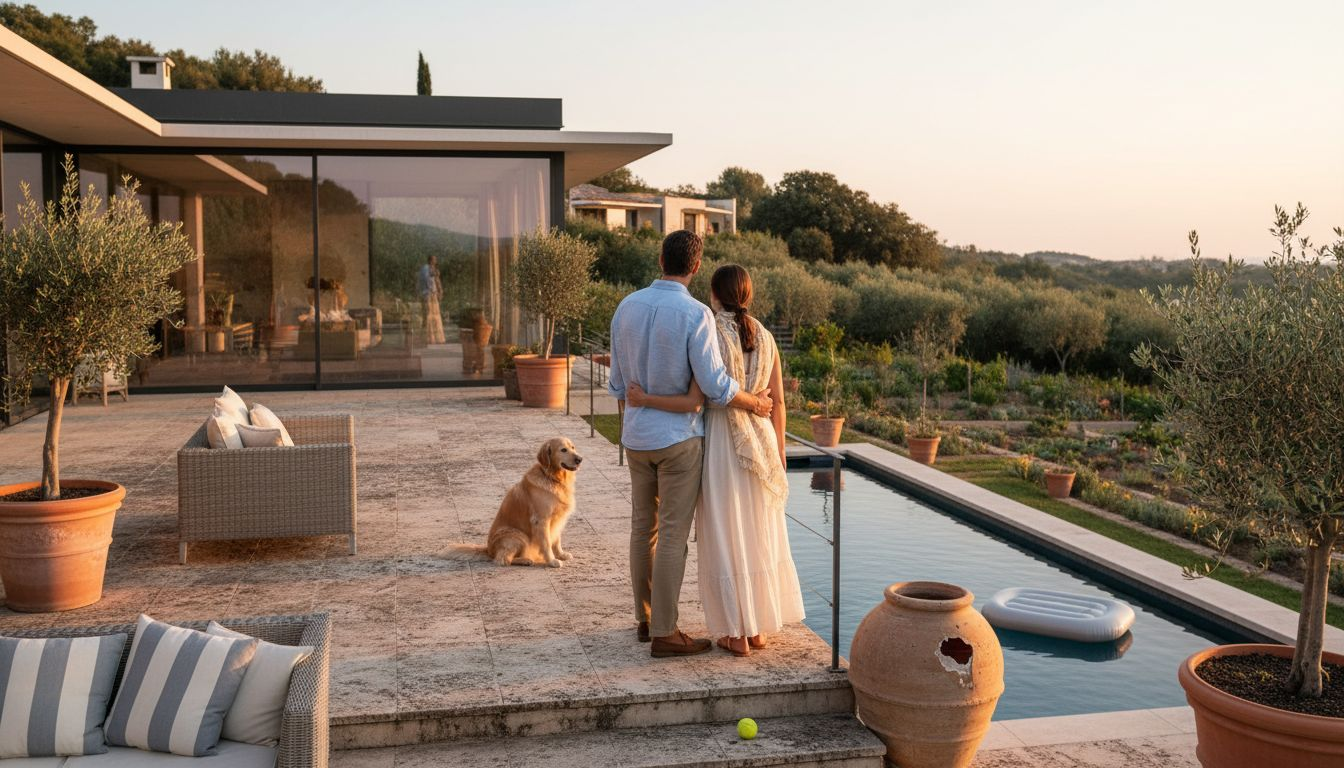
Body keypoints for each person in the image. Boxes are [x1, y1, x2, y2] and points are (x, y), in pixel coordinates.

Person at [607, 231, 774, 658]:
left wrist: (633, 424)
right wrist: (755, 401)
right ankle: (666, 633)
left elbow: (618, 385)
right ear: (696, 267)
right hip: (679, 439)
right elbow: (717, 387)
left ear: (660, 258)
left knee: (642, 528)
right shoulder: (695, 314)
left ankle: (645, 620)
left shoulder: (625, 307)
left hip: (636, 437)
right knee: (673, 535)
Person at [626, 264, 805, 657]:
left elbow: (705, 393)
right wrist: (779, 450)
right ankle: (755, 629)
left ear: (714, 292)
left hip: (724, 441)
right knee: (758, 531)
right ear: (748, 295)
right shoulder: (768, 336)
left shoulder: (711, 328)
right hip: (762, 443)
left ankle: (733, 632)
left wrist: (645, 398)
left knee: (726, 534)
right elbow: (779, 402)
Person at [417, 254, 446, 344]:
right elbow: (426, 278)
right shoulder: (425, 268)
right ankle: (428, 338)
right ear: (430, 260)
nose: (435, 262)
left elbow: (437, 281)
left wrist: (440, 291)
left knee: (436, 315)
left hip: (433, 295)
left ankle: (437, 338)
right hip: (428, 295)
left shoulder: (433, 269)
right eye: (433, 260)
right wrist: (434, 274)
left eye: (435, 260)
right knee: (428, 315)